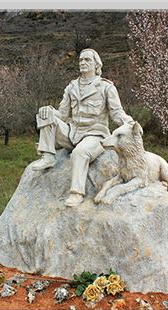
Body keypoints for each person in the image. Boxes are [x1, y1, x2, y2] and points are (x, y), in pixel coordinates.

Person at [31, 48, 134, 207]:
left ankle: (76, 193)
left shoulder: (106, 87)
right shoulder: (72, 87)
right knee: (45, 114)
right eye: (81, 60)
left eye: (87, 60)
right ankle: (48, 156)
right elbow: (63, 115)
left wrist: (129, 123)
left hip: (95, 134)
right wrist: (49, 111)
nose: (83, 63)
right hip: (72, 133)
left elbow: (116, 113)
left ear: (96, 65)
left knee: (80, 153)